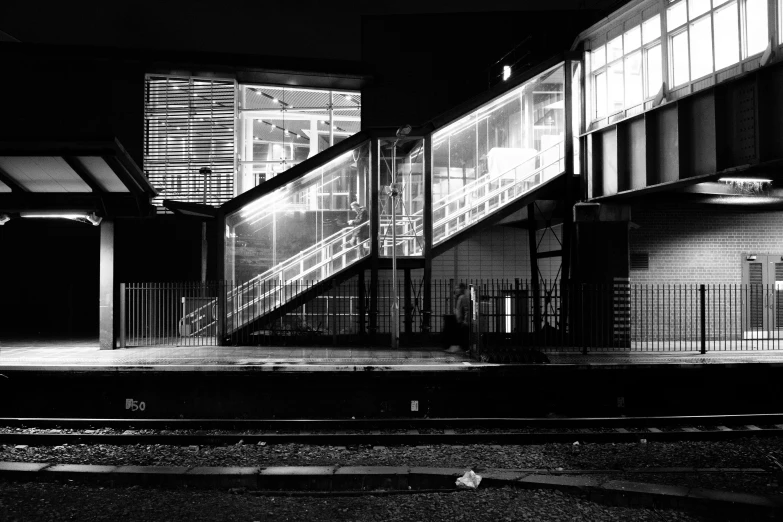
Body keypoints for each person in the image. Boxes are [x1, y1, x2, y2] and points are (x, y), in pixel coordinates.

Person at [445, 283, 470, 353]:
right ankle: (461, 348)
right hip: (460, 319)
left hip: (461, 320)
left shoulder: (462, 297)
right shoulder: (460, 297)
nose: (456, 290)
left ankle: (463, 348)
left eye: (457, 288)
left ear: (461, 289)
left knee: (462, 335)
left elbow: (466, 309)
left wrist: (465, 320)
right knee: (460, 335)